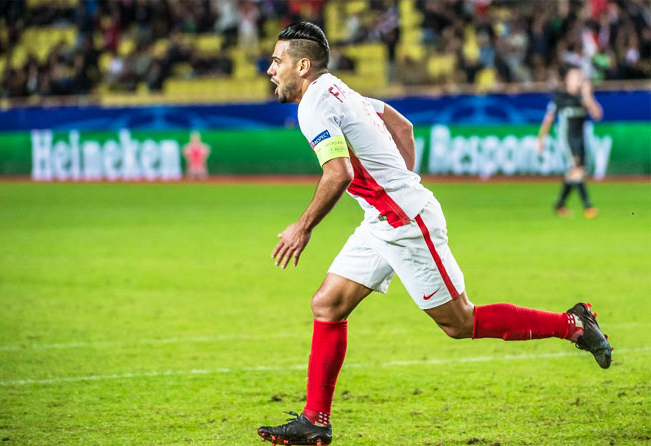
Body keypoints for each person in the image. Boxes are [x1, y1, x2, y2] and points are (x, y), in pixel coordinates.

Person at [257, 22, 612, 446]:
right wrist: (399, 183)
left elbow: (339, 173)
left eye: (277, 61)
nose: (270, 70)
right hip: (381, 219)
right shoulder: (339, 90)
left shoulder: (314, 104)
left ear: (302, 64)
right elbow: (401, 125)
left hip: (406, 223)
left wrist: (303, 226)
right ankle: (315, 421)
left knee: (460, 322)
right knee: (328, 304)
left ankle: (573, 323)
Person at [537, 65, 603, 218]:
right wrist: (541, 139)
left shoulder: (583, 97)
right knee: (577, 170)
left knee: (574, 173)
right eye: (575, 77)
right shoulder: (560, 97)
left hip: (580, 140)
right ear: (567, 79)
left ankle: (559, 204)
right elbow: (548, 119)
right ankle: (588, 207)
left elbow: (598, 114)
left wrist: (588, 97)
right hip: (566, 140)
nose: (579, 80)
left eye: (580, 77)